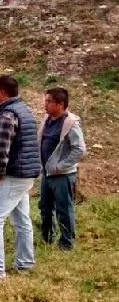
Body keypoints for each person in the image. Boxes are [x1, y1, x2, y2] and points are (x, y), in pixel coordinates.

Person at [0, 75, 41, 280]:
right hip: (26, 174)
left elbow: (2, 148)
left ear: (1, 92)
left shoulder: (7, 115)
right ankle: (25, 263)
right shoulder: (25, 110)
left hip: (13, 175)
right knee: (21, 219)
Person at [38, 87, 86, 250]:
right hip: (46, 173)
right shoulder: (47, 119)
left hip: (62, 175)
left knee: (64, 210)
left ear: (60, 104)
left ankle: (67, 243)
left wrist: (61, 166)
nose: (45, 104)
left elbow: (79, 149)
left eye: (49, 101)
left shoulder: (70, 123)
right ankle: (47, 238)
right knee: (45, 207)